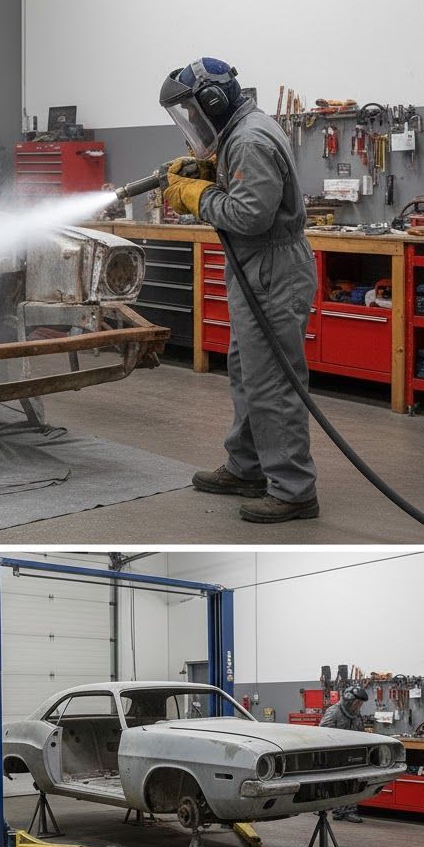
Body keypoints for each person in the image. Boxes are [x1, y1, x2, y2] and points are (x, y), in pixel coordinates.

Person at [159, 57, 319, 524]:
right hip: (255, 266)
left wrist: (195, 195)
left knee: (272, 383)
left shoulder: (248, 139)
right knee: (247, 374)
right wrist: (209, 176)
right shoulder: (240, 133)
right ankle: (248, 467)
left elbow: (251, 215)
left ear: (212, 100)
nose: (191, 122)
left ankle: (293, 489)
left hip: (272, 266)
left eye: (193, 112)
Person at [319, 686, 369, 822]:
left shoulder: (356, 714)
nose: (358, 706)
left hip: (352, 754)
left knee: (353, 783)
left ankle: (346, 811)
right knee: (339, 784)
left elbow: (361, 731)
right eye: (357, 703)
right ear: (348, 700)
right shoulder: (333, 712)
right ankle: (340, 811)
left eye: (360, 703)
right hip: (336, 755)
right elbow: (323, 733)